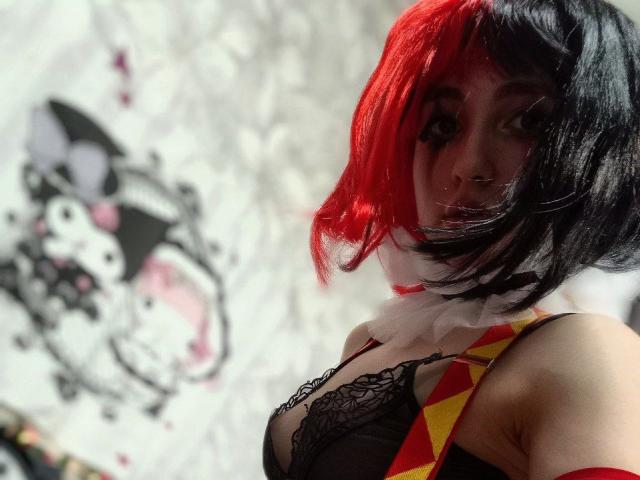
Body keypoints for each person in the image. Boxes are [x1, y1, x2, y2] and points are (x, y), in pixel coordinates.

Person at [263, 0, 640, 478]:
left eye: (527, 122)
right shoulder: (370, 341)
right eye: (443, 125)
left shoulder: (590, 352)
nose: (468, 165)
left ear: (599, 150)